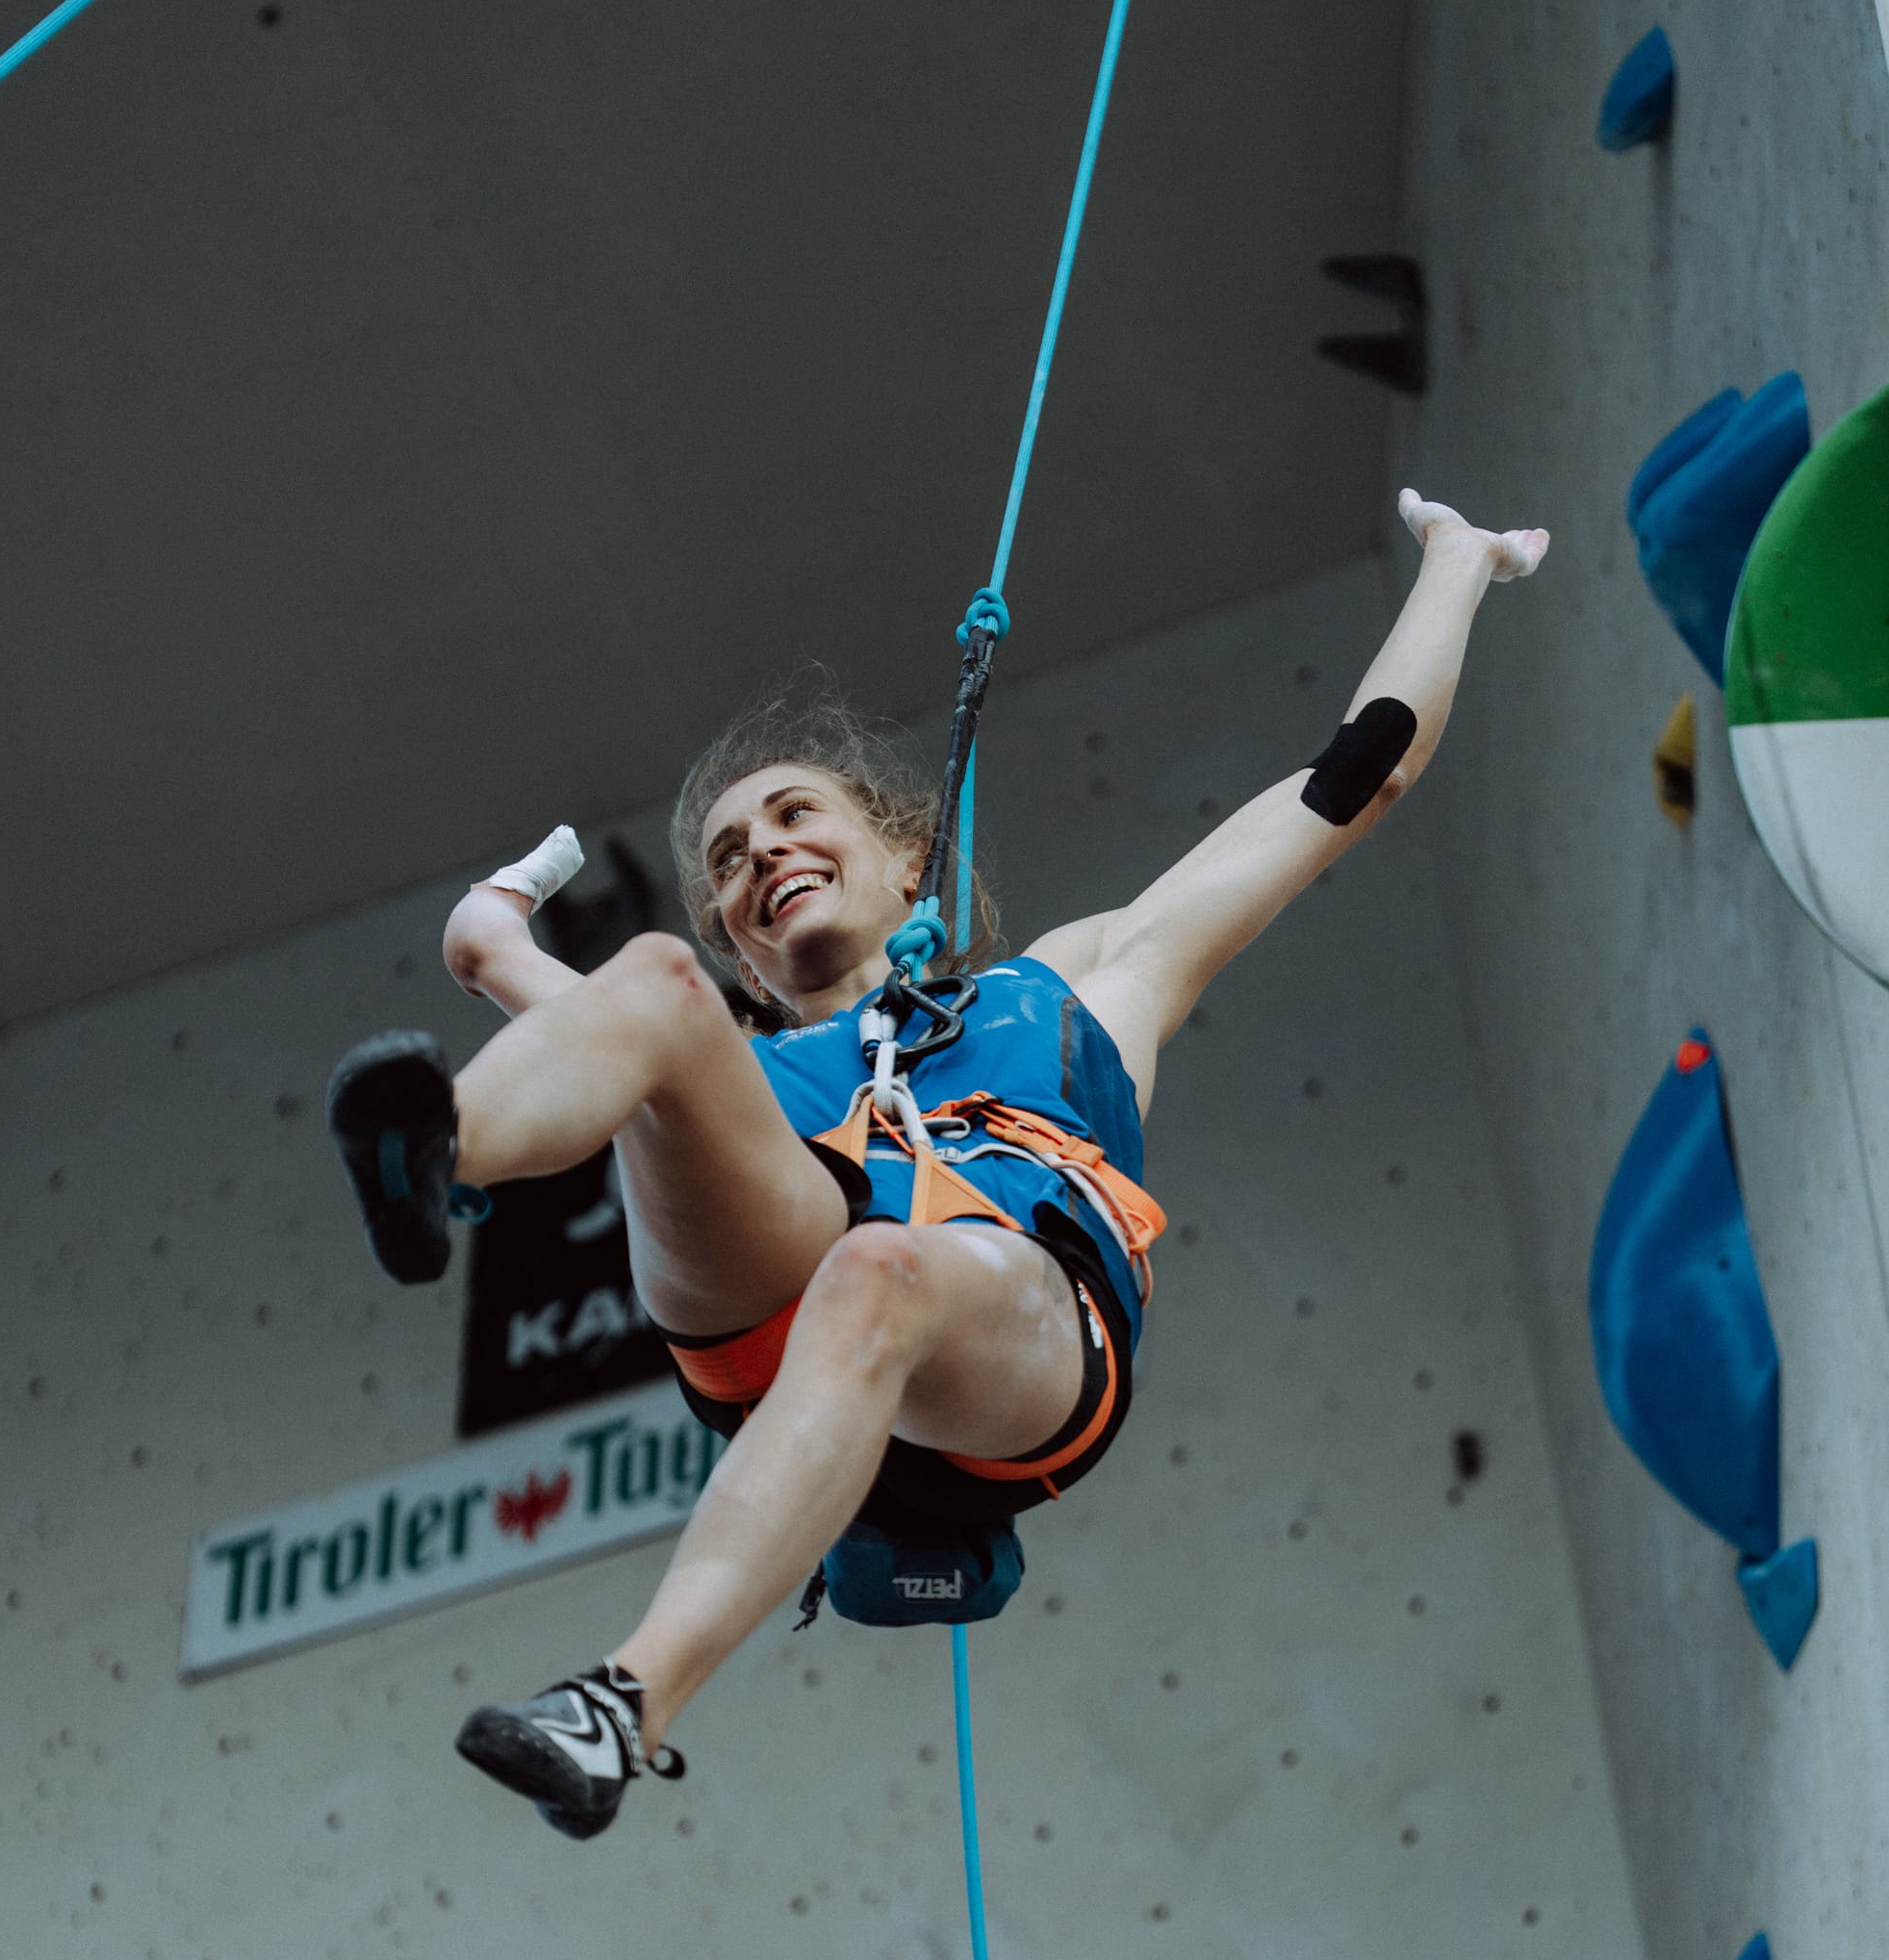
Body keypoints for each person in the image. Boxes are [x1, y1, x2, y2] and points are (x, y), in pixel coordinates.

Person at [325, 493, 1547, 1838]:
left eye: (794, 816)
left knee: (881, 1271)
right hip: (777, 1298)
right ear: (746, 938)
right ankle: (445, 1163)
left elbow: (1352, 777)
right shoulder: (736, 1044)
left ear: (909, 852)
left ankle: (624, 1704)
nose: (760, 856)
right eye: (729, 860)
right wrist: (488, 926)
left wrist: (1457, 566)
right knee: (654, 992)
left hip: (1006, 1338)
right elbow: (520, 975)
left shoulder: (1076, 985)